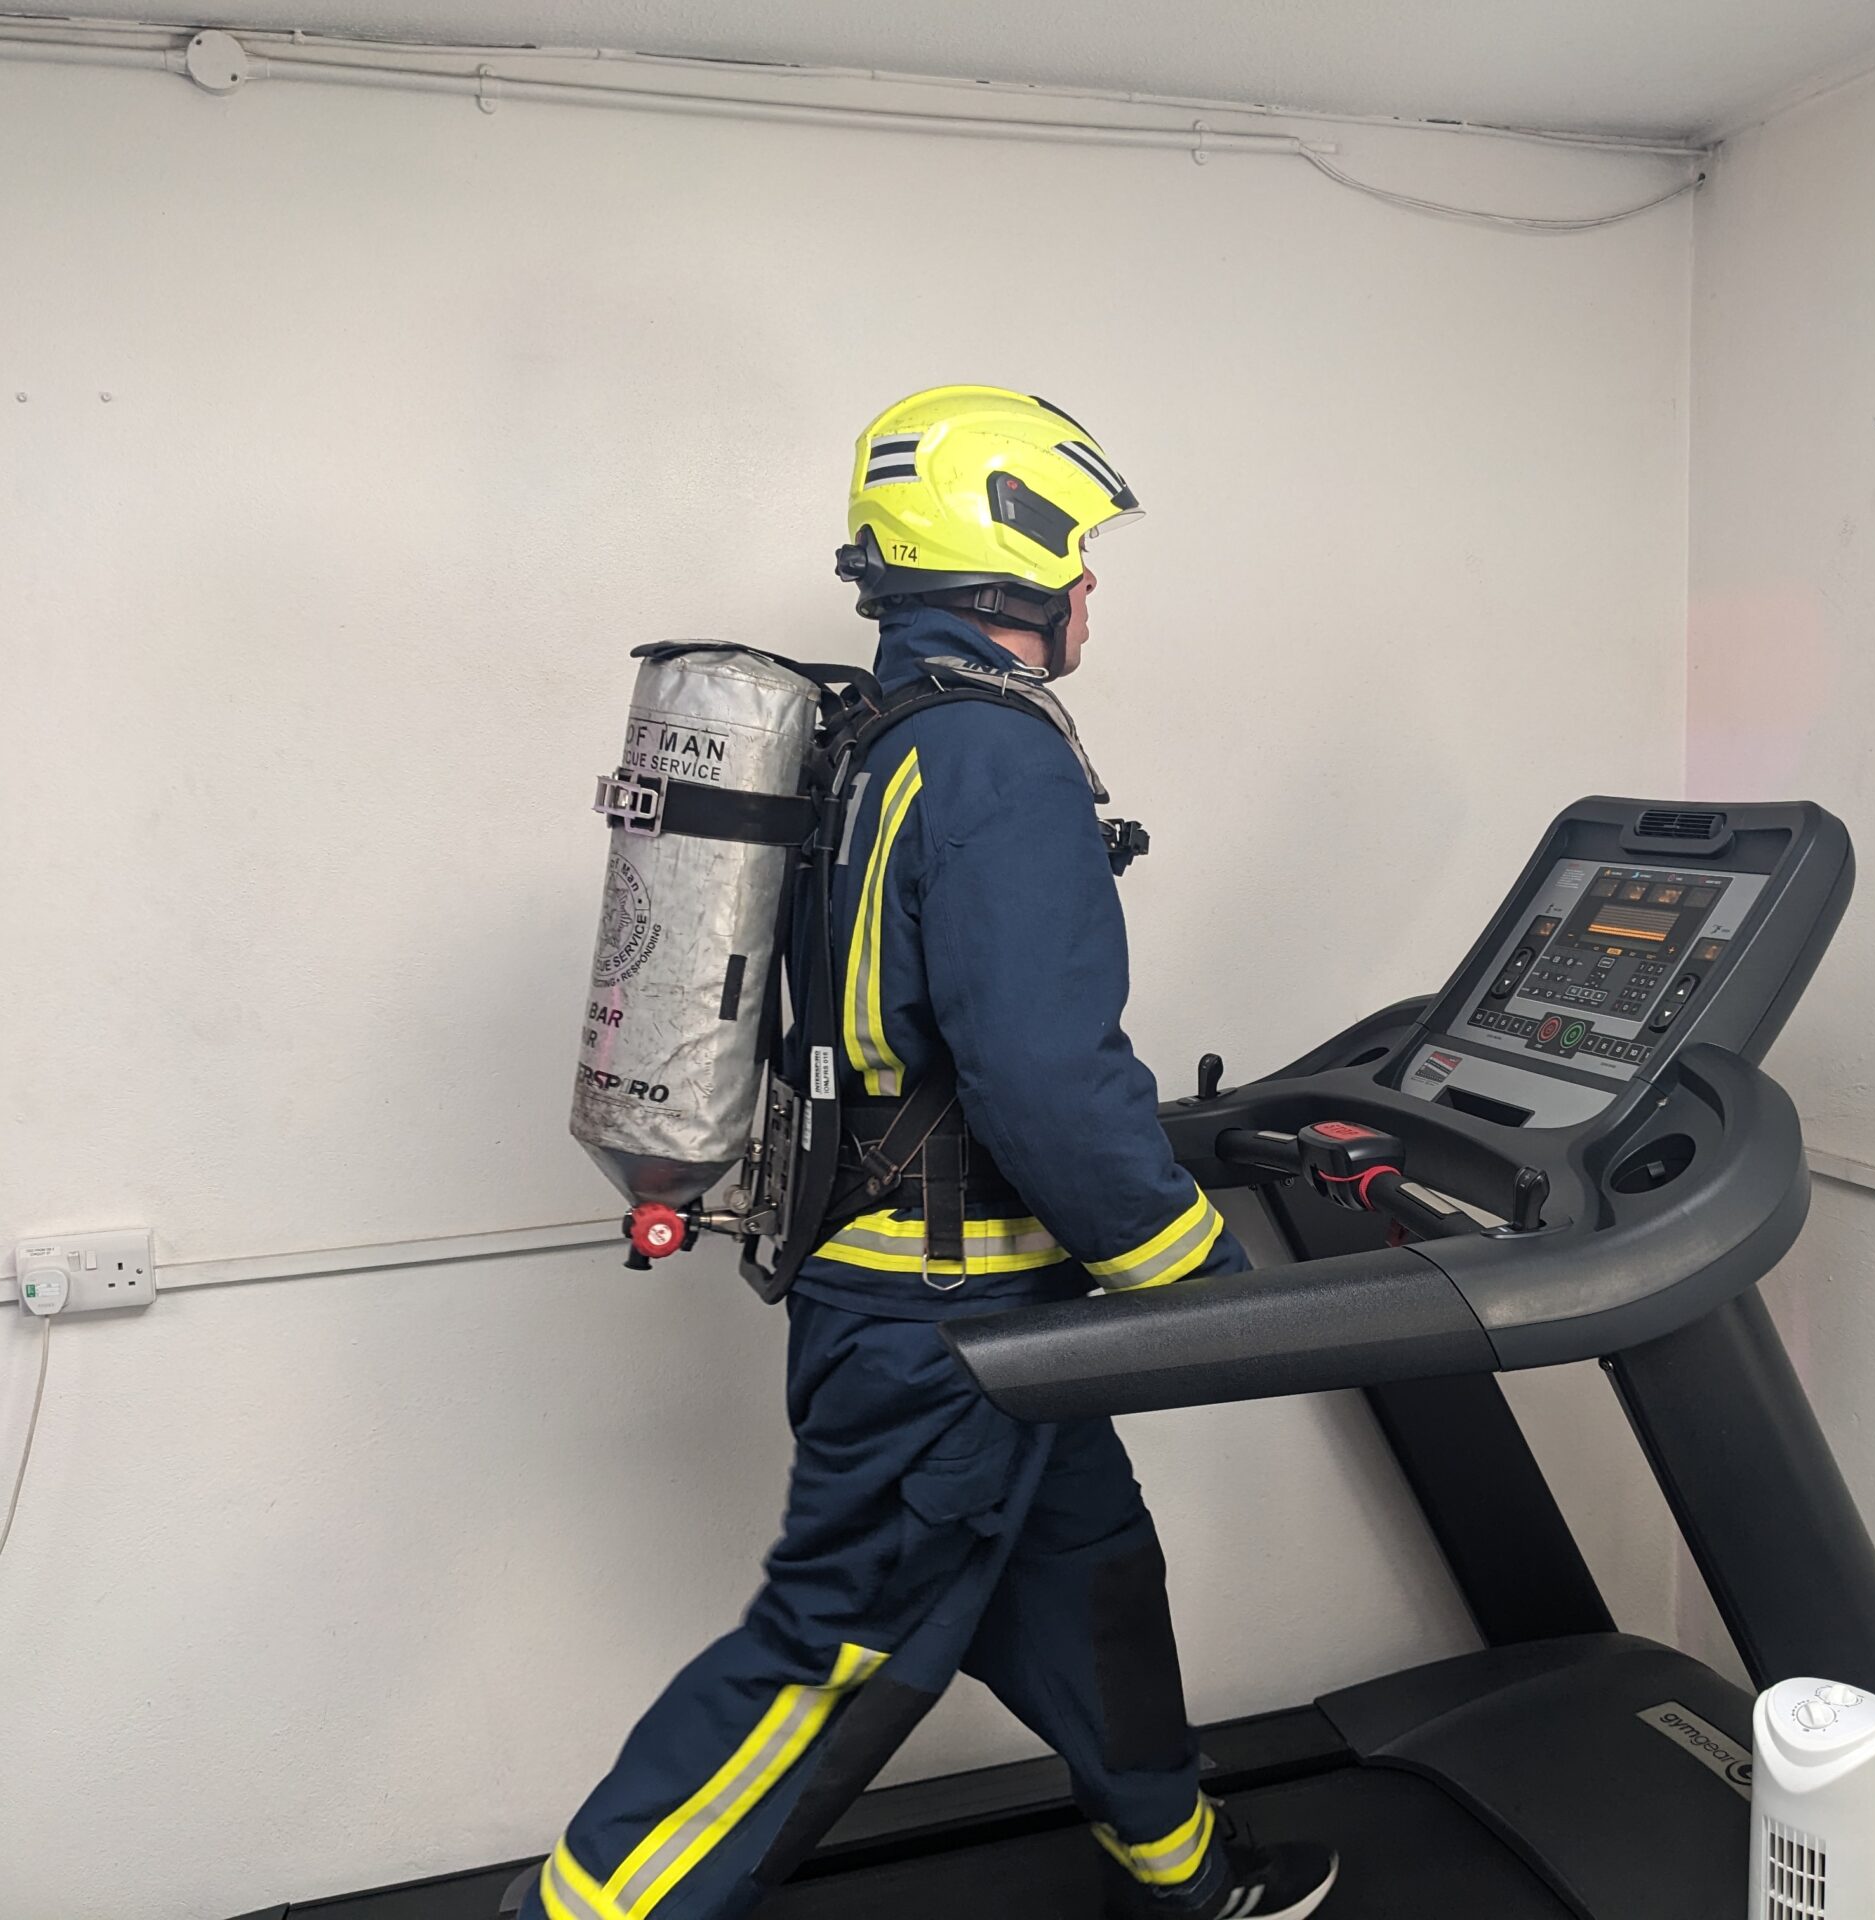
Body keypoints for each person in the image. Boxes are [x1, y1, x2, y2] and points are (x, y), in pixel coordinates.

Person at [519, 388, 1338, 1920]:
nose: (1096, 585)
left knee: (1093, 1578)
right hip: (944, 1334)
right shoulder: (995, 761)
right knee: (829, 1665)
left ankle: (1189, 1873)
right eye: (1085, 551)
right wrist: (1201, 1278)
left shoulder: (878, 735)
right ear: (1016, 556)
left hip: (973, 1308)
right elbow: (1044, 1074)